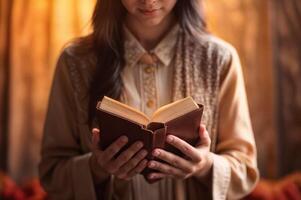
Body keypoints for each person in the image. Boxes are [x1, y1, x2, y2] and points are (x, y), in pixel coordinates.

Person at [39, 0, 259, 199]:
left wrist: (204, 165)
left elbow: (245, 171)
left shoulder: (219, 60)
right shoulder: (75, 61)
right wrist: (97, 168)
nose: (148, 1)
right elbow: (51, 174)